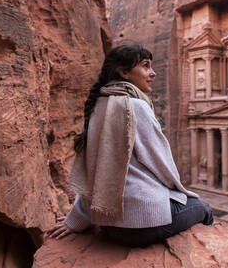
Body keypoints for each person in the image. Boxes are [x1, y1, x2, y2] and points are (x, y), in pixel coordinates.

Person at [47, 44, 213, 247]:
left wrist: (76, 221)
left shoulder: (98, 105)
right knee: (203, 207)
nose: (152, 73)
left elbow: (94, 173)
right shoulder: (136, 106)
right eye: (145, 66)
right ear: (123, 72)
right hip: (145, 225)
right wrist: (183, 194)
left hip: (109, 226)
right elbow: (161, 164)